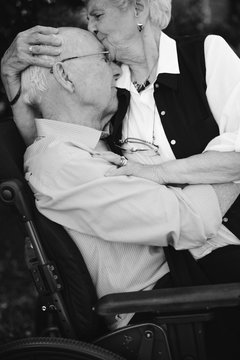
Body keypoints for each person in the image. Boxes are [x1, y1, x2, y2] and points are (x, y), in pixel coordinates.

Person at [21, 26, 229, 330]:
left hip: (188, 279)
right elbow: (189, 219)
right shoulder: (61, 162)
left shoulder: (92, 146)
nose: (118, 71)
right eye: (105, 59)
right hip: (170, 309)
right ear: (65, 77)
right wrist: (232, 168)